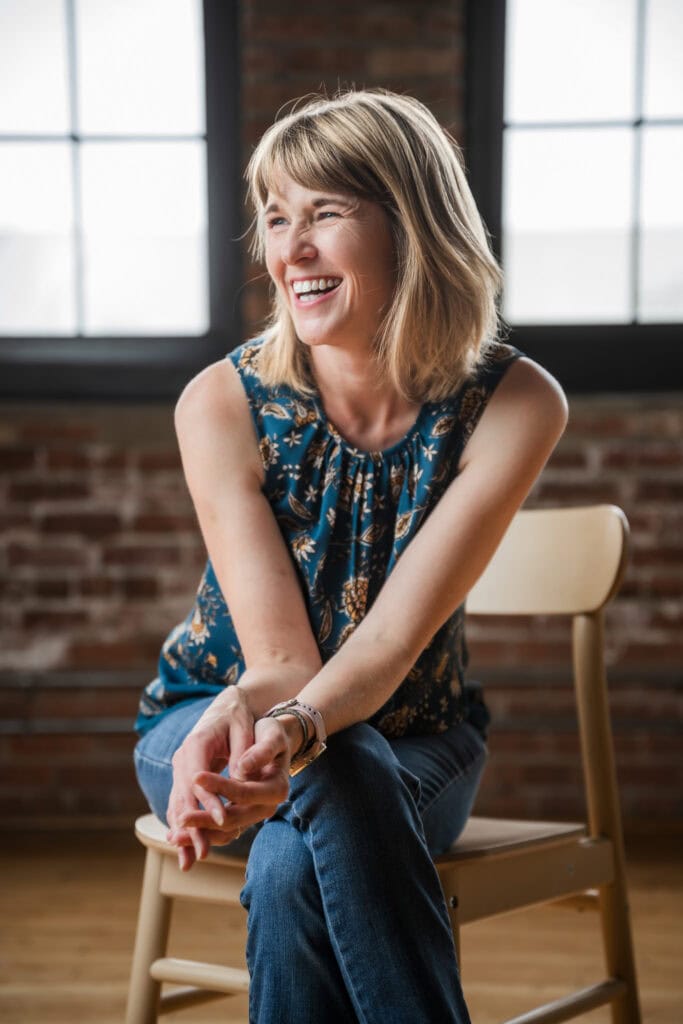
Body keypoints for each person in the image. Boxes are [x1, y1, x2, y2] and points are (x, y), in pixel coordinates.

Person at [133, 88, 568, 1023]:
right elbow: (282, 663)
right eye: (277, 218)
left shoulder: (514, 402)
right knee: (331, 766)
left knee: (324, 796)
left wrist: (292, 733)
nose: (288, 252)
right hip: (205, 727)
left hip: (416, 741)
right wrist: (247, 716)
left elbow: (380, 652)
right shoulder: (222, 403)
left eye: (326, 213)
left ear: (412, 226)